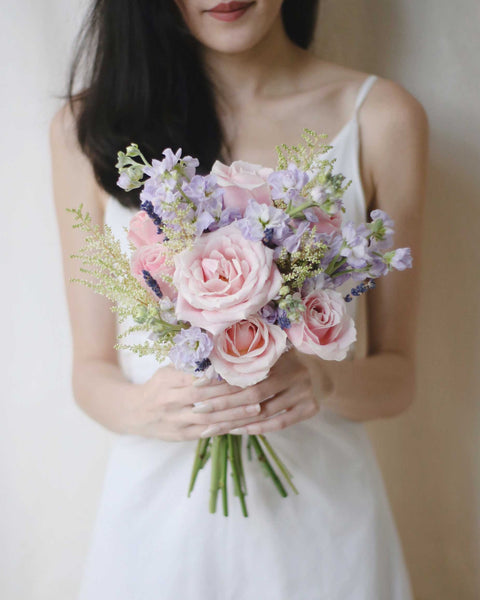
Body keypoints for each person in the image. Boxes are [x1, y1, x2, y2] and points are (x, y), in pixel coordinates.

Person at [50, 1, 428, 598]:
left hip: (325, 531)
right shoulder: (91, 125)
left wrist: (321, 382)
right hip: (158, 530)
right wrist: (147, 407)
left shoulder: (380, 117)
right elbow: (90, 369)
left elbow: (399, 376)